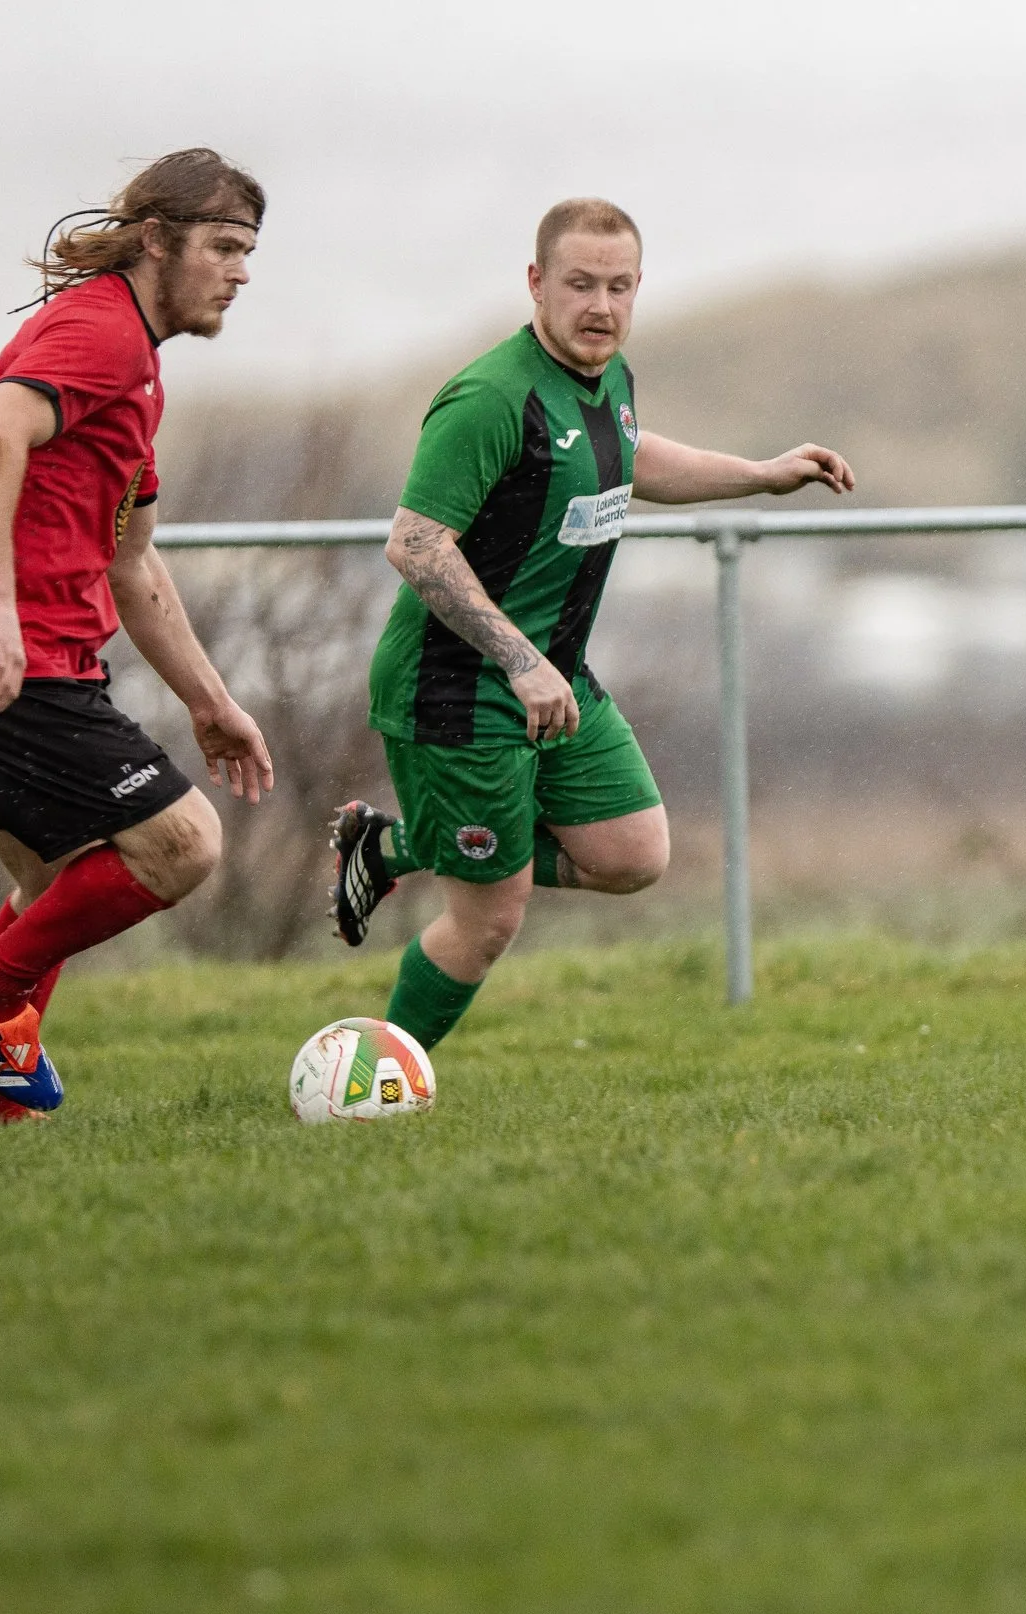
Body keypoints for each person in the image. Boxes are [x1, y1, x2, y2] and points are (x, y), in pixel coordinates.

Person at [329, 196, 851, 1051]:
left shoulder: (607, 376)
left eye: (619, 287)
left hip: (554, 676)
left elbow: (631, 455)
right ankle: (377, 1082)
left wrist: (761, 473)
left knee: (631, 853)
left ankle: (388, 849)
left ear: (638, 288)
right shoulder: (489, 398)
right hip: (458, 687)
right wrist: (519, 659)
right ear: (536, 283)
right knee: (492, 913)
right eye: (579, 284)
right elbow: (416, 544)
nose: (600, 306)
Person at [0, 149, 277, 1123]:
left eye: (248, 252)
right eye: (224, 246)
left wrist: (210, 701)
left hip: (25, 653)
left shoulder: (137, 368)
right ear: (158, 240)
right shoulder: (102, 331)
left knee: (52, 886)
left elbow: (131, 562)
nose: (240, 271)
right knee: (182, 844)